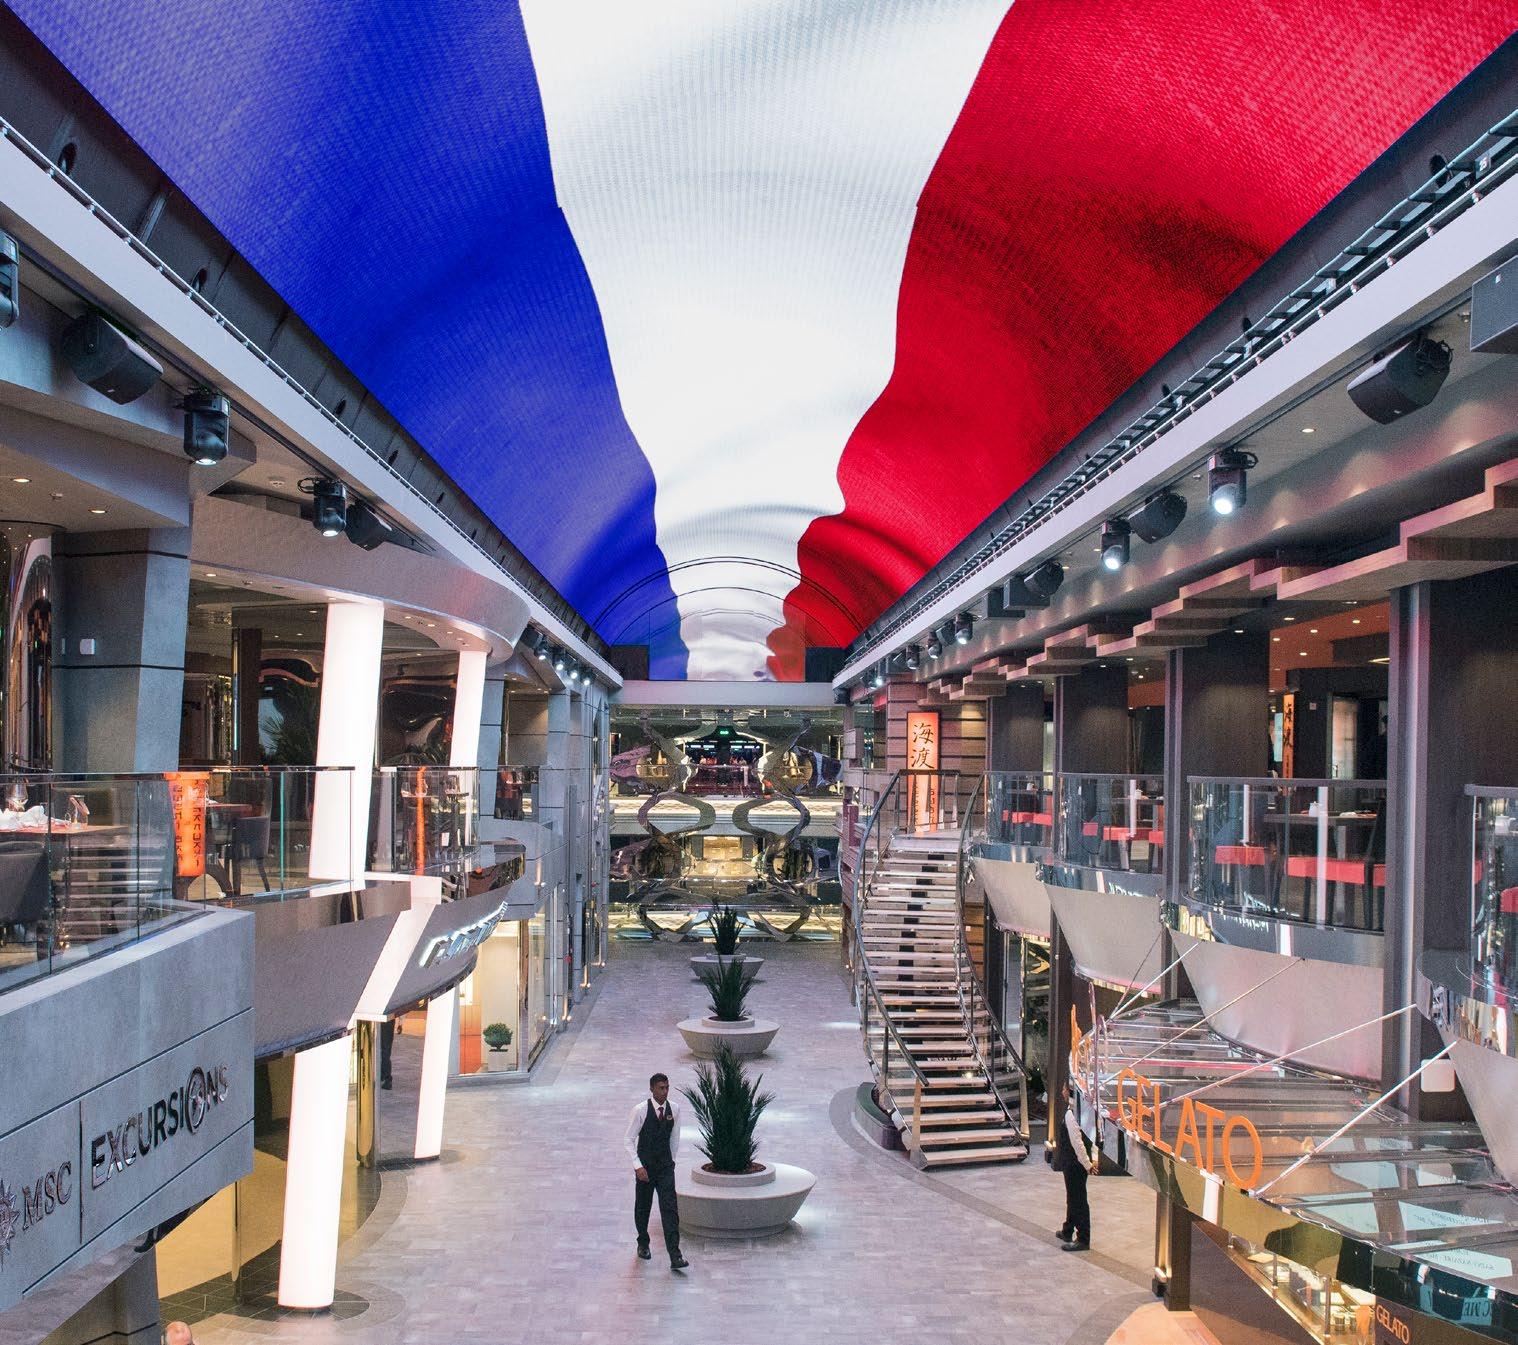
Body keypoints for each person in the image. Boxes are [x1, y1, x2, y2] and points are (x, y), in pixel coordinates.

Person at [623, 1071, 689, 1270]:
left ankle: (675, 1255)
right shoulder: (641, 1110)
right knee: (643, 1207)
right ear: (652, 1089)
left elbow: (675, 1137)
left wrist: (672, 1161)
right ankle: (643, 1243)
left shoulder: (674, 1109)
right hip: (645, 1169)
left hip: (665, 1168)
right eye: (661, 1088)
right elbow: (628, 1140)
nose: (665, 1091)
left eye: (667, 1087)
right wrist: (638, 1166)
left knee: (670, 1210)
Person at [1054, 1083, 1094, 1251]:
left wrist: (1087, 1164)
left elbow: (1077, 1143)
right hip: (1074, 1162)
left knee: (1078, 1200)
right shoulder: (1078, 1110)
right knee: (1073, 1197)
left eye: (1064, 1089)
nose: (1062, 1091)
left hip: (1074, 1164)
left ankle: (1083, 1239)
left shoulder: (1072, 1114)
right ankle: (1067, 1230)